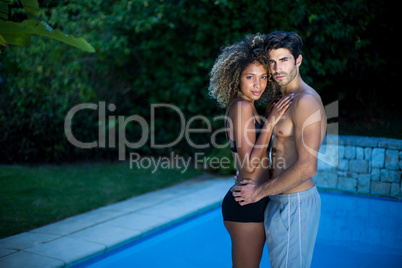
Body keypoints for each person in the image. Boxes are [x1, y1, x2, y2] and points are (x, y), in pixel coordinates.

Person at [233, 31, 327, 268]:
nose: (277, 69)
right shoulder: (282, 101)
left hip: (295, 203)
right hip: (276, 198)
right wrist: (252, 176)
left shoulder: (306, 101)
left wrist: (258, 191)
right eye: (272, 62)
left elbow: (307, 167)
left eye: (284, 60)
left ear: (298, 60)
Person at [208, 33, 294, 268]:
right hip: (247, 205)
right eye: (250, 77)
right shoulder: (243, 107)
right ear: (237, 78)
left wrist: (267, 118)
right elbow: (248, 165)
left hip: (252, 197)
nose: (259, 84)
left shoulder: (246, 107)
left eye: (263, 77)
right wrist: (271, 122)